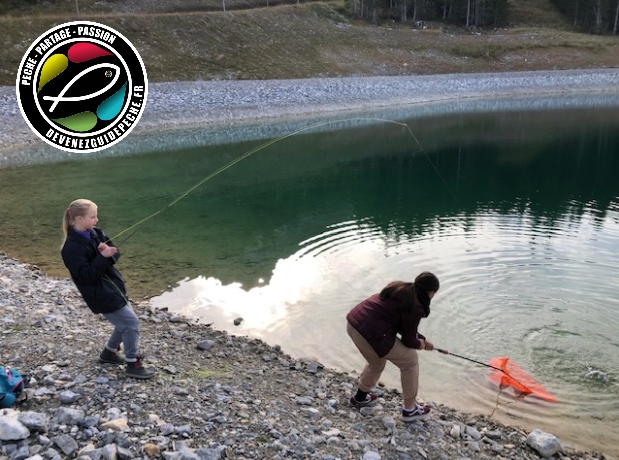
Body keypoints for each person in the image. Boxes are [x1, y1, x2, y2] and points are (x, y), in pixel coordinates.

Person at [61, 199, 156, 379]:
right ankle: (132, 364)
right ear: (79, 218)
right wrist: (102, 257)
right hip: (99, 295)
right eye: (93, 216)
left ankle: (109, 353)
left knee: (124, 323)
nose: (96, 220)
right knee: (131, 323)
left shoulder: (96, 233)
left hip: (115, 287)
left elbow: (115, 253)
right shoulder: (70, 248)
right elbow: (86, 276)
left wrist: (107, 252)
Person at [346, 271, 439, 421]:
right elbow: (408, 340)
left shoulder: (401, 288)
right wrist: (421, 344)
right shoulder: (416, 305)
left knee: (376, 363)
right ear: (431, 292)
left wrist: (421, 339)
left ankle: (359, 398)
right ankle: (410, 409)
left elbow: (404, 326)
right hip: (371, 332)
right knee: (410, 362)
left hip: (354, 323)